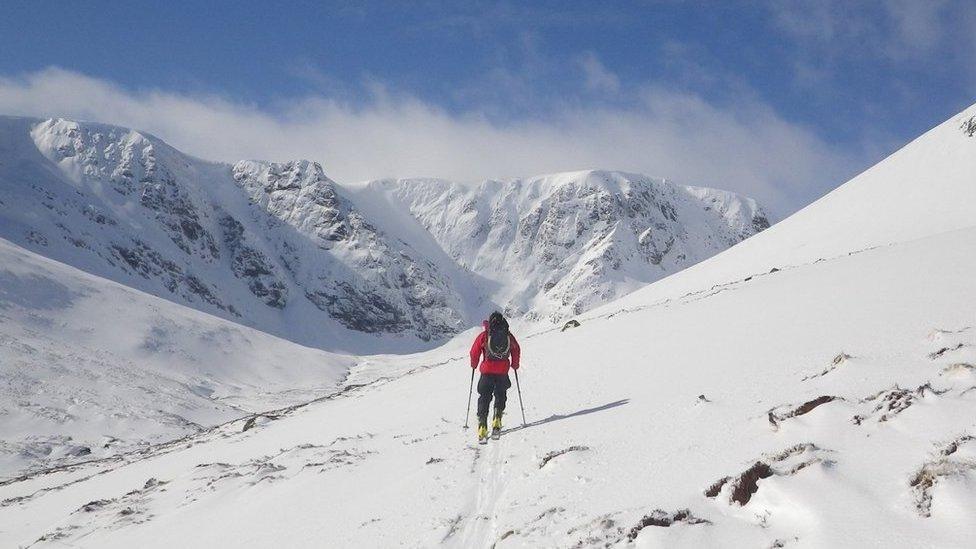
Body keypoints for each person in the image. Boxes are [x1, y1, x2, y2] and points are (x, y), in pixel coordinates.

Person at [469, 311, 520, 442]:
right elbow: (516, 349)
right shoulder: (508, 335)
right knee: (500, 394)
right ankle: (497, 418)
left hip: (486, 371)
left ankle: (482, 424)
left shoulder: (485, 335)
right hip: (502, 371)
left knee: (484, 396)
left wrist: (474, 364)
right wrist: (515, 365)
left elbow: (474, 351)